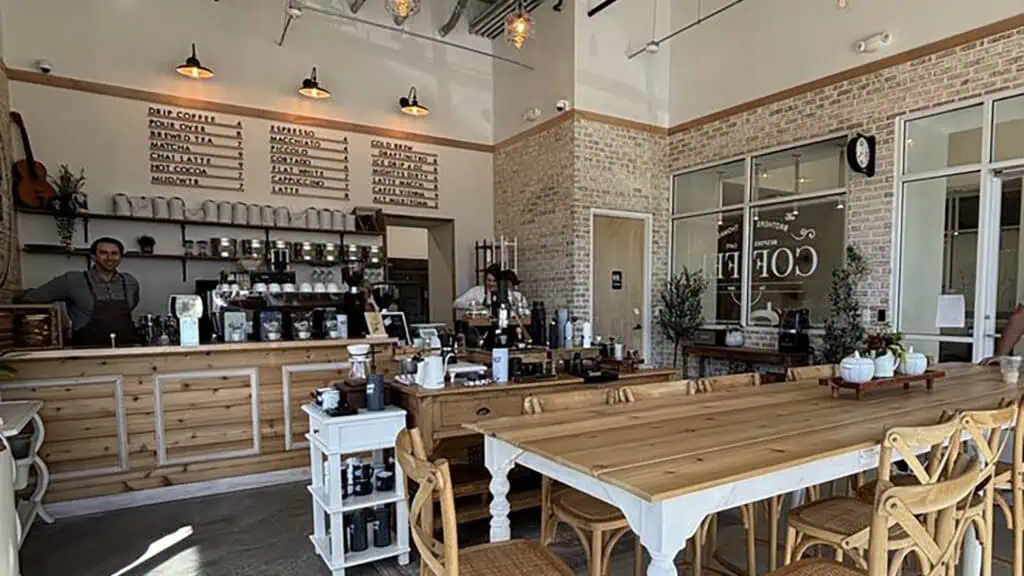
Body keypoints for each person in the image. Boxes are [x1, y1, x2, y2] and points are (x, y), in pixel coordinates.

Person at [22, 237, 141, 347]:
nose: (109, 258)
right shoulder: (73, 280)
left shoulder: (130, 282)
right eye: (103, 253)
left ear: (120, 257)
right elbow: (32, 298)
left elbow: (133, 304)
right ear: (93, 256)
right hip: (87, 353)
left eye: (114, 253)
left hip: (127, 350)